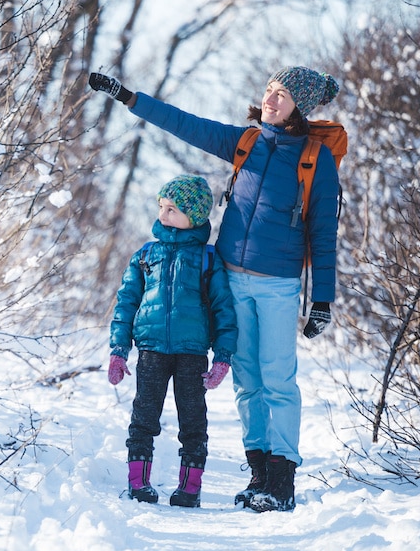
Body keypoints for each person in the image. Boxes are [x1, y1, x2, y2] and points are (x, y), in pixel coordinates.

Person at [91, 66, 340, 513]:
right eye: (269, 90)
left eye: (282, 95)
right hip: (230, 278)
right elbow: (185, 124)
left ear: (299, 106)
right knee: (246, 380)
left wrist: (321, 299)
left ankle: (282, 479)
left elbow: (323, 231)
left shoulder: (315, 159)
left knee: (277, 378)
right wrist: (129, 97)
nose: (271, 99)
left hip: (279, 284)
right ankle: (259, 471)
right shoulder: (246, 143)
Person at [108, 174, 238, 508]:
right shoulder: (146, 254)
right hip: (151, 350)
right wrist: (119, 350)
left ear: (194, 217)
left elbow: (224, 309)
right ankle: (138, 483)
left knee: (193, 419)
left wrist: (223, 356)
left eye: (173, 209)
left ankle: (189, 488)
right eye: (162, 207)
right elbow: (126, 303)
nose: (163, 215)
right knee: (143, 416)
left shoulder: (208, 259)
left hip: (192, 353)